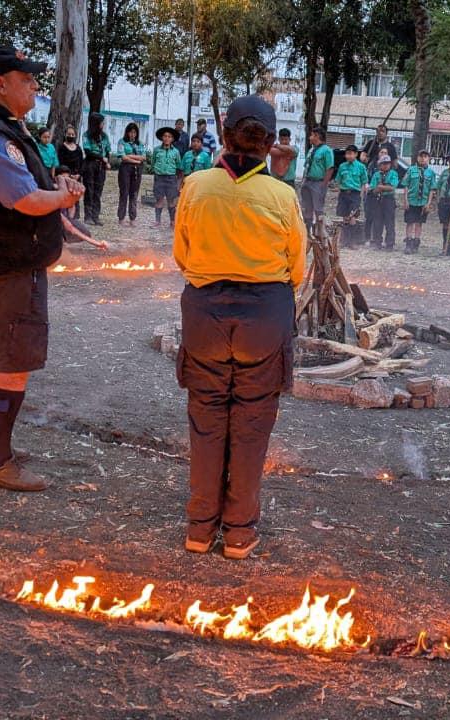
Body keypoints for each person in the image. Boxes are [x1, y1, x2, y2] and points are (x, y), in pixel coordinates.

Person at [0, 46, 99, 492]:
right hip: (13, 265)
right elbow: (21, 199)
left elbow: (28, 188)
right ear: (0, 83)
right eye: (27, 78)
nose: (35, 85)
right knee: (13, 363)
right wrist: (63, 199)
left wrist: (55, 187)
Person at [173, 95, 306, 559]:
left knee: (207, 420)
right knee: (251, 425)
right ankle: (239, 534)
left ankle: (198, 528)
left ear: (224, 133)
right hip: (264, 317)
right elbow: (297, 268)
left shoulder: (196, 185)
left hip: (205, 312)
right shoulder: (283, 196)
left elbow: (182, 256)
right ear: (271, 145)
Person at [361, 124, 400, 244]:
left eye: (383, 131)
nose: (380, 133)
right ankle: (369, 238)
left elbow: (395, 163)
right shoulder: (371, 143)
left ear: (386, 133)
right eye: (378, 131)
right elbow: (363, 158)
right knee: (369, 213)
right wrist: (365, 158)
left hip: (385, 189)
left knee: (386, 219)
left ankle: (387, 241)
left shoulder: (390, 147)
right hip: (371, 180)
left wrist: (388, 170)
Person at [300, 128, 335, 234]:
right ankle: (307, 231)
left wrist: (323, 184)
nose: (310, 137)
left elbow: (330, 168)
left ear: (317, 136)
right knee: (307, 207)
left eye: (311, 135)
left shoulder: (326, 150)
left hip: (318, 183)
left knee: (318, 208)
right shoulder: (311, 150)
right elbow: (306, 166)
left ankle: (320, 232)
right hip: (308, 181)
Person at [400, 149, 434, 255]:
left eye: (425, 157)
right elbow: (406, 185)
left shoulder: (431, 173)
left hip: (423, 202)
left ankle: (416, 243)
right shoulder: (411, 170)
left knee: (419, 223)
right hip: (411, 201)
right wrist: (405, 200)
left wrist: (428, 203)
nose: (423, 159)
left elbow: (432, 189)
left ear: (429, 159)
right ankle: (408, 243)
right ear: (417, 158)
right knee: (410, 222)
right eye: (421, 156)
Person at [80, 112, 111, 225]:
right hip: (90, 165)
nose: (103, 125)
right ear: (96, 123)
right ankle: (88, 217)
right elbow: (88, 152)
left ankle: (95, 216)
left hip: (101, 167)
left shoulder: (104, 136)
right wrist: (102, 158)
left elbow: (108, 150)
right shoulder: (86, 135)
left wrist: (107, 161)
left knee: (98, 191)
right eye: (101, 123)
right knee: (89, 190)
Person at [150, 126, 183, 228]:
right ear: (162, 138)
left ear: (172, 139)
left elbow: (179, 167)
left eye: (169, 136)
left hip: (171, 178)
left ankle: (172, 221)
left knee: (171, 201)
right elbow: (152, 163)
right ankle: (157, 221)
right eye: (165, 136)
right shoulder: (156, 150)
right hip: (159, 178)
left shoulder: (176, 152)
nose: (167, 138)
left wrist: (178, 183)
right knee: (159, 200)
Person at [335, 144, 367, 248]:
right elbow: (338, 181)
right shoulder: (342, 166)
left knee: (352, 217)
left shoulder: (361, 167)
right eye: (347, 153)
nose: (348, 156)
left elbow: (364, 182)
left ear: (356, 154)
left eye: (351, 153)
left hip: (355, 194)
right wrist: (339, 192)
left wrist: (360, 196)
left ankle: (352, 242)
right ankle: (345, 241)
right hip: (344, 194)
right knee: (345, 217)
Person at [115, 122, 146, 226]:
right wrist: (136, 160)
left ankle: (132, 218)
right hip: (125, 169)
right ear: (127, 133)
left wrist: (130, 157)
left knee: (134, 194)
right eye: (130, 132)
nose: (132, 134)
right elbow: (122, 156)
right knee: (124, 193)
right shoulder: (122, 142)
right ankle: (121, 218)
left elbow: (143, 157)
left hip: (137, 170)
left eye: (134, 132)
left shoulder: (140, 143)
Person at [368, 153, 399, 251]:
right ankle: (377, 242)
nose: (385, 165)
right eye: (383, 163)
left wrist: (381, 187)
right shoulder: (376, 174)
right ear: (379, 164)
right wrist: (381, 188)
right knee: (377, 222)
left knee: (389, 223)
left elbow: (392, 187)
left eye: (387, 163)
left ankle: (390, 244)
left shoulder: (393, 174)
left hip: (389, 200)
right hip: (377, 200)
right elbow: (372, 189)